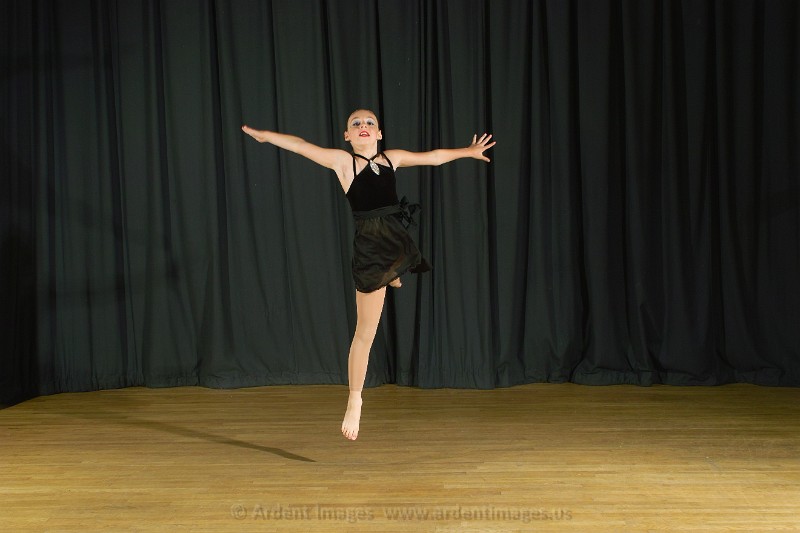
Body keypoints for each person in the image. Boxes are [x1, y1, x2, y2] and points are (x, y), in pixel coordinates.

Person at [242, 109, 495, 440]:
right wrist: (266, 137)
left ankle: (395, 274)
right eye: (356, 124)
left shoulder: (391, 158)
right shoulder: (344, 163)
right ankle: (355, 399)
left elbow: (433, 157)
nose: (363, 126)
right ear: (347, 136)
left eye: (369, 123)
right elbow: (301, 145)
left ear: (379, 133)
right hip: (372, 252)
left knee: (398, 258)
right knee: (365, 333)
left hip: (397, 242)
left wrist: (467, 151)